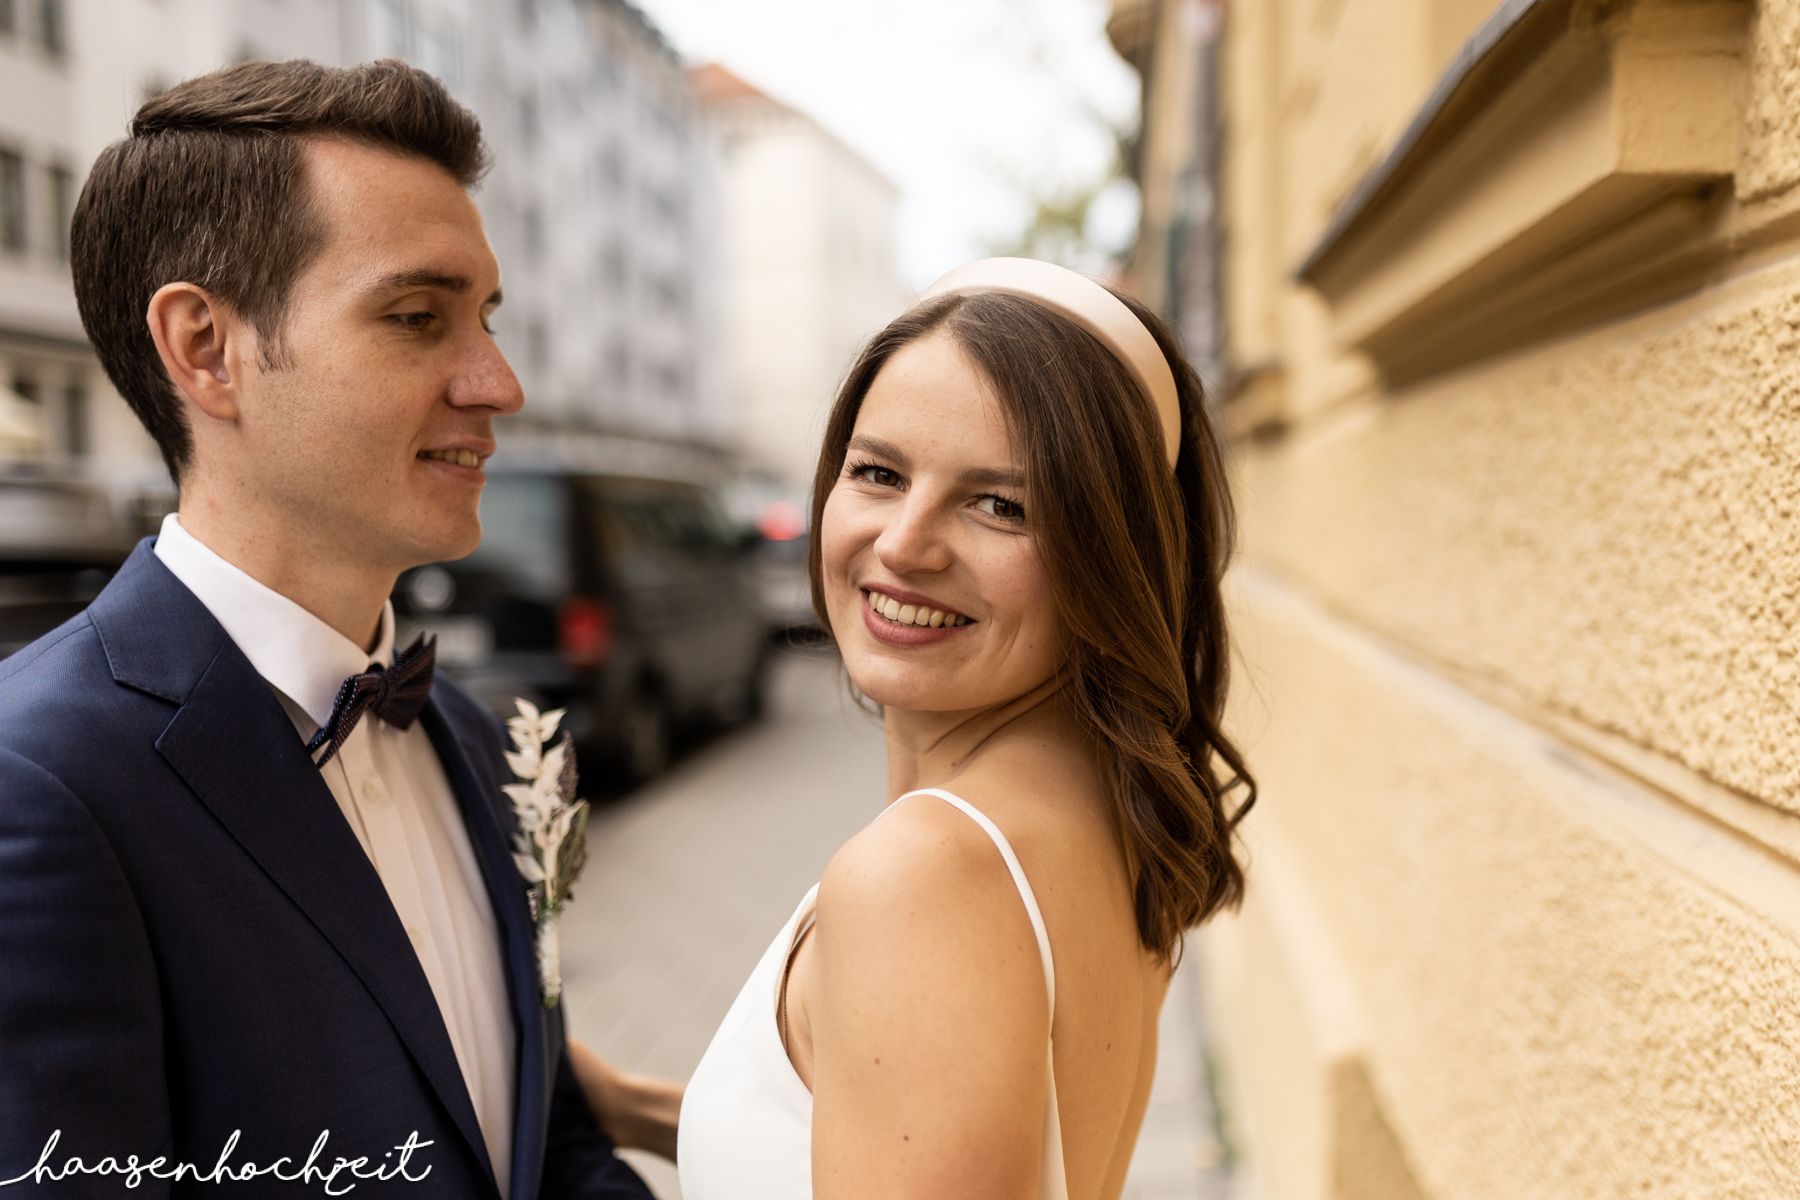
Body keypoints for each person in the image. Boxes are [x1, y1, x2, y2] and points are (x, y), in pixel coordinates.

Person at [0, 59, 654, 1198]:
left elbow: (553, 1148)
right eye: (417, 317)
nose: (498, 383)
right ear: (206, 348)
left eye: (485, 320)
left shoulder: (469, 730)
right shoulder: (38, 784)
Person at [669, 257, 1256, 1198]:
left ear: (1113, 553)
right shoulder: (1116, 806)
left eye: (1001, 505)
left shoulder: (925, 877)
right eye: (879, 472)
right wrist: (641, 1106)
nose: (904, 544)